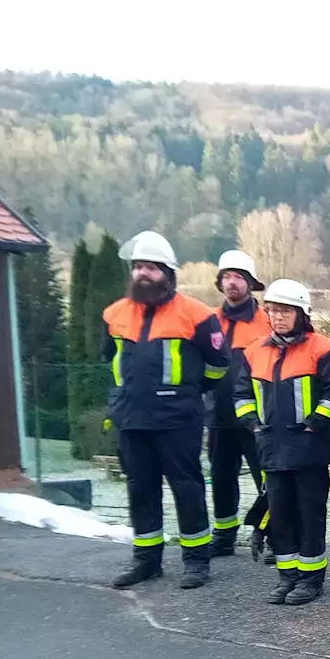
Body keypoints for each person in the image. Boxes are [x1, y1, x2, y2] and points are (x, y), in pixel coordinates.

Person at [104, 231, 229, 590]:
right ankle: (147, 560)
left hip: (178, 420)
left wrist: (188, 390)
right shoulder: (114, 314)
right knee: (140, 489)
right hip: (131, 418)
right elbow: (108, 358)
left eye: (152, 268)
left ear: (168, 273)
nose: (144, 273)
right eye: (139, 267)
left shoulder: (196, 314)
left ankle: (196, 561)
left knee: (186, 488)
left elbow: (218, 364)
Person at [234, 279, 330, 605]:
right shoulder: (255, 351)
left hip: (309, 450)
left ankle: (311, 579)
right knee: (280, 515)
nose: (278, 317)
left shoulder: (323, 348)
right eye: (273, 311)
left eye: (285, 311)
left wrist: (316, 422)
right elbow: (241, 394)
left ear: (301, 313)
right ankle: (288, 576)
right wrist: (251, 422)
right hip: (271, 447)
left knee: (310, 515)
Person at [206, 250, 271, 557]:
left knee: (267, 478)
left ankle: (271, 532)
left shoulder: (267, 322)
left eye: (239, 278)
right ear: (220, 283)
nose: (232, 283)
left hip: (257, 417)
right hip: (218, 415)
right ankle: (224, 535)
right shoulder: (210, 322)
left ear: (250, 284)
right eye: (227, 277)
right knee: (221, 476)